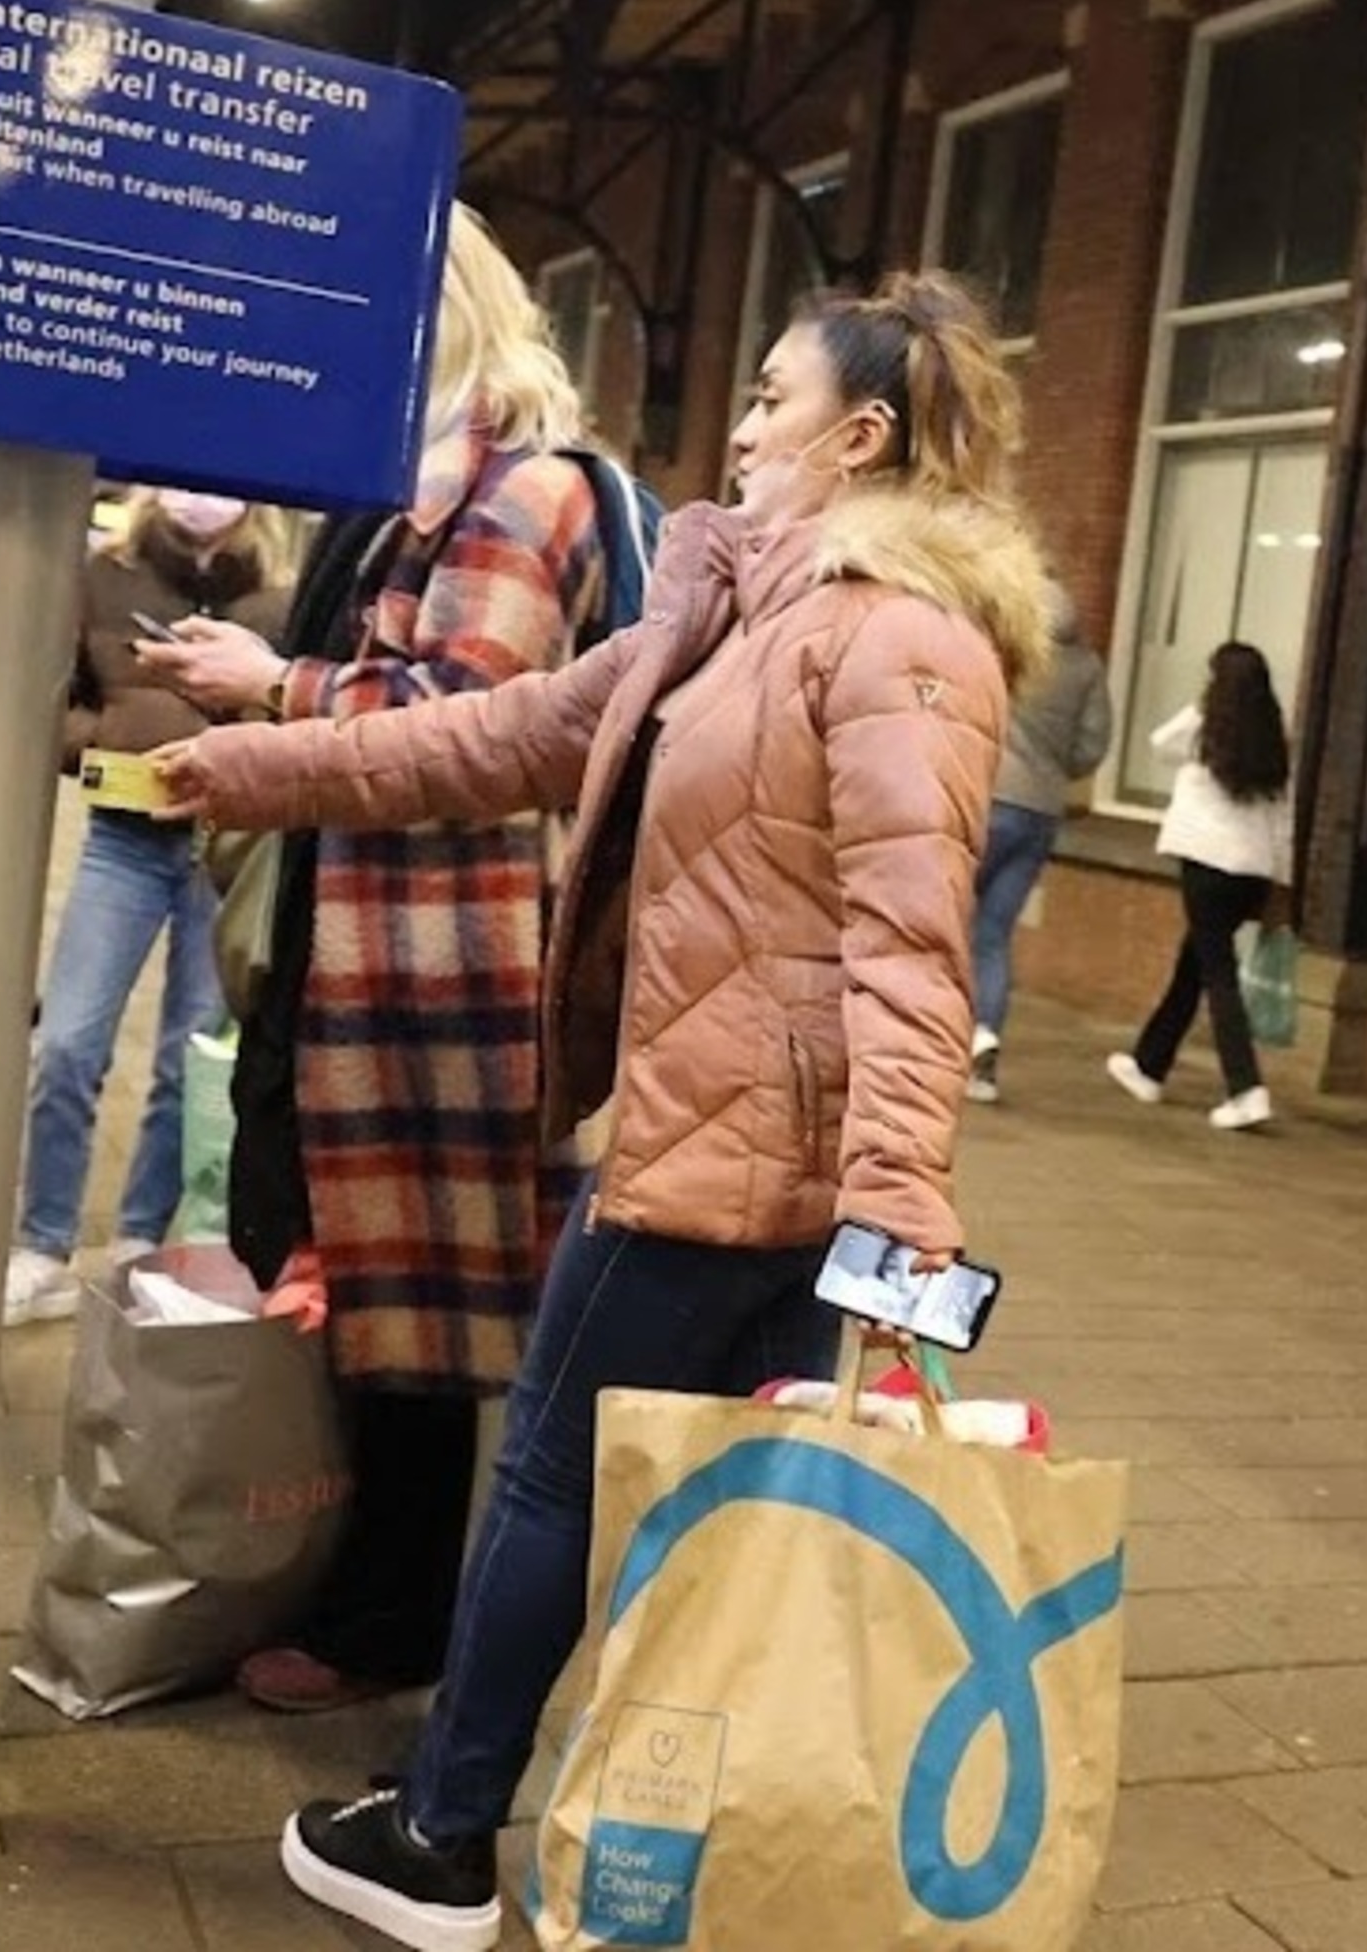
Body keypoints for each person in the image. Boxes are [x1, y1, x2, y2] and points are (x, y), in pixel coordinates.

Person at [160, 272, 1046, 1952]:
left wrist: (902, 1217)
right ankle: (668, 1817)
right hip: (731, 1134)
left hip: (742, 1157)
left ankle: (440, 1834)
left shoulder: (900, 640)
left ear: (861, 437)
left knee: (558, 1479)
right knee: (695, 1497)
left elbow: (916, 949)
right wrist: (267, 759)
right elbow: (497, 735)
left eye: (775, 398)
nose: (744, 421)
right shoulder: (739, 617)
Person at [135, 214, 604, 1715]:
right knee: (324, 1261)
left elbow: (471, 717)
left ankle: (387, 1620)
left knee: (402, 1305)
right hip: (353, 943)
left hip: (432, 961)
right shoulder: (407, 485)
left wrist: (268, 683)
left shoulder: (522, 490)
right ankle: (341, 1582)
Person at [0, 488, 295, 1320]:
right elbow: (52, 698)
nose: (202, 498)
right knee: (67, 1045)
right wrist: (107, 744)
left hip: (226, 845)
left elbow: (300, 713)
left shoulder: (286, 588)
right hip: (124, 838)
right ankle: (42, 1242)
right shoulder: (104, 574)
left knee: (189, 1061)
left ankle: (139, 1240)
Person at [1104, 641, 1292, 1132]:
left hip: (1206, 865)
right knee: (1195, 965)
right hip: (1251, 871)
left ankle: (1247, 1088)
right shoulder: (1273, 738)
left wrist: (1203, 705)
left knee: (1217, 975)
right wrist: (1282, 883)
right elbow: (1283, 818)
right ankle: (1149, 1066)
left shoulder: (1204, 728)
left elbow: (1157, 742)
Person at [965, 575, 1109, 1104]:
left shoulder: (1003, 646)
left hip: (986, 798)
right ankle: (984, 1045)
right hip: (1041, 812)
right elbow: (1093, 743)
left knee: (938, 917)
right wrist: (1054, 769)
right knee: (995, 933)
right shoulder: (1086, 666)